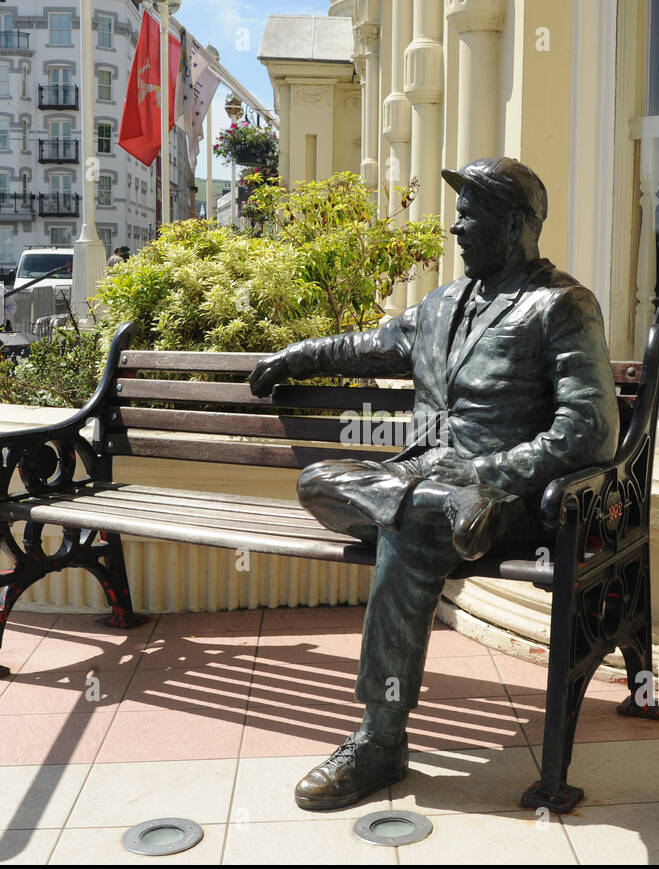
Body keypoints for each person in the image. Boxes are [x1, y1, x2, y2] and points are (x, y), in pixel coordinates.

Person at [250, 157, 619, 810]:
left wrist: (486, 474)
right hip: (428, 481)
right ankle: (426, 507)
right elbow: (369, 344)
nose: (454, 226)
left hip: (509, 497)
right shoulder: (442, 304)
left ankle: (380, 737)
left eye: (469, 212)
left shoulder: (561, 305)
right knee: (318, 481)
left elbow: (588, 429)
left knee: (409, 525)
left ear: (512, 227)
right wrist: (297, 354)